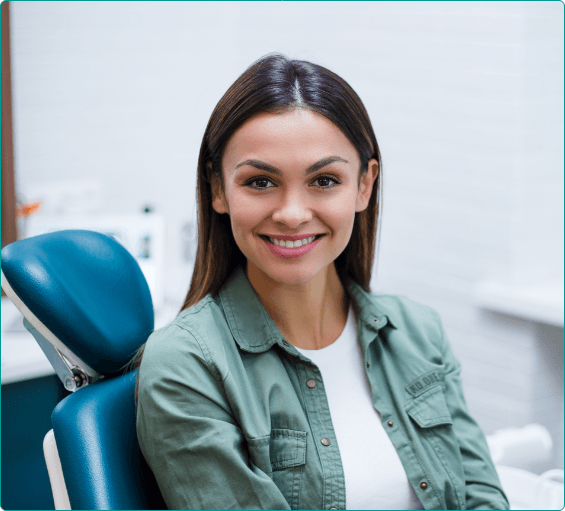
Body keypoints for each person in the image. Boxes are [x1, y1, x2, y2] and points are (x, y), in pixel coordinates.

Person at [135, 53, 509, 510]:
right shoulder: (185, 365)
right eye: (259, 182)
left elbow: (482, 498)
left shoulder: (418, 330)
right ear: (218, 188)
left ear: (364, 185)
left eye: (325, 179)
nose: (292, 214)